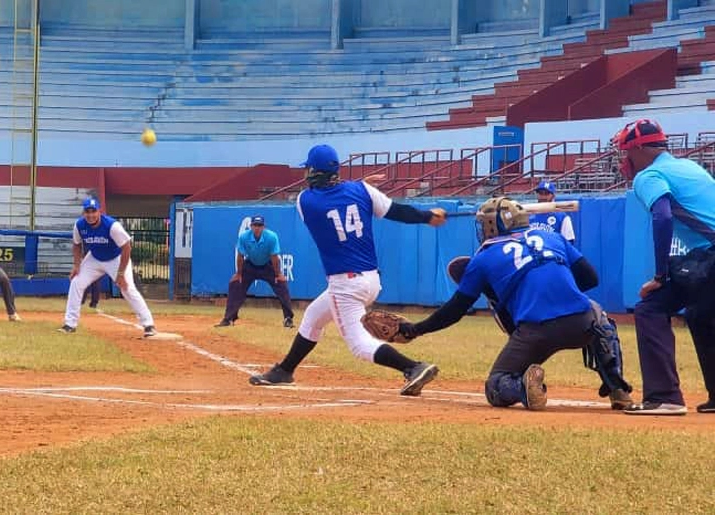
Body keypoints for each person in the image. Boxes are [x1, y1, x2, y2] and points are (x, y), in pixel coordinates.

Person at [385, 197, 632, 411]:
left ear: (492, 226)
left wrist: (416, 329)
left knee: (496, 385)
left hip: (536, 331)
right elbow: (590, 279)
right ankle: (617, 386)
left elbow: (455, 310)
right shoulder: (552, 237)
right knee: (597, 314)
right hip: (580, 323)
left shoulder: (483, 257)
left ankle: (522, 389)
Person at [248, 144, 445, 396]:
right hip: (371, 279)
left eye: (309, 169)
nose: (306, 173)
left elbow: (330, 198)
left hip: (346, 284)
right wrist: (427, 216)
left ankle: (413, 367)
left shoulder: (305, 201)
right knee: (313, 316)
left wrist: (358, 185)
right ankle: (285, 370)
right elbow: (397, 211)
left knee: (359, 344)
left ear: (315, 172)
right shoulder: (362, 191)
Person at [612, 119, 715, 415]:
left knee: (650, 307)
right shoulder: (688, 166)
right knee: (701, 315)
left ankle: (665, 397)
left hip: (709, 254)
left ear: (641, 149)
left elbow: (663, 217)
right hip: (706, 255)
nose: (625, 159)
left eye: (627, 151)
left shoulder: (650, 174)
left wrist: (660, 275)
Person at [60, 197, 157, 337]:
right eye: (87, 211)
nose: (90, 215)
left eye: (93, 211)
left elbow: (127, 247)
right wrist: (77, 265)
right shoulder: (80, 225)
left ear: (99, 211)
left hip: (115, 259)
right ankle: (70, 324)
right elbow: (76, 245)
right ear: (83, 213)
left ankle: (148, 324)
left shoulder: (112, 226)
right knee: (76, 282)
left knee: (127, 288)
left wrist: (121, 273)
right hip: (94, 258)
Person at [215, 215, 294, 328]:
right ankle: (229, 319)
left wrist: (278, 274)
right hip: (250, 264)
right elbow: (240, 256)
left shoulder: (271, 237)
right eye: (255, 225)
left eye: (260, 225)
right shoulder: (243, 237)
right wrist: (239, 274)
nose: (257, 228)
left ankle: (288, 318)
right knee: (235, 284)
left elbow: (274, 257)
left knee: (281, 284)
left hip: (267, 265)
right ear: (251, 226)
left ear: (264, 227)